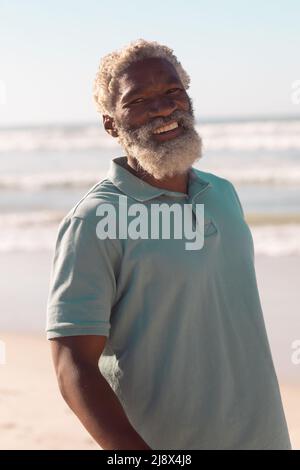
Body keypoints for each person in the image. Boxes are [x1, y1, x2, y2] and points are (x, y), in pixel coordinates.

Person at [46, 39, 291, 450]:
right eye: (138, 100)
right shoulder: (94, 220)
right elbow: (72, 366)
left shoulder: (223, 194)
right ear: (111, 123)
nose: (163, 108)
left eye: (173, 92)